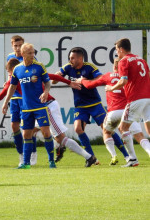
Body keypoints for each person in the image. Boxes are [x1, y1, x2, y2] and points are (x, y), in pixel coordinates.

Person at [52, 47, 124, 164]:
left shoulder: (89, 67)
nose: (70, 60)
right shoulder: (67, 67)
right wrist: (58, 75)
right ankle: (91, 158)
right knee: (78, 128)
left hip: (94, 103)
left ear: (80, 58)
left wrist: (87, 81)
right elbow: (54, 81)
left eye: (73, 58)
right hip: (80, 105)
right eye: (70, 58)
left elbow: (101, 77)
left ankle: (126, 155)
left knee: (107, 129)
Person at [78, 57, 150, 165]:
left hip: (113, 112)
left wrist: (82, 80)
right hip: (128, 110)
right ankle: (134, 157)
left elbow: (90, 85)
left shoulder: (107, 76)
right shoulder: (129, 78)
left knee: (106, 132)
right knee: (139, 135)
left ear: (114, 66)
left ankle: (114, 155)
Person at [2, 43, 55, 169]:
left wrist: (46, 92)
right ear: (23, 54)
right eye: (30, 53)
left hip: (40, 106)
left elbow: (48, 83)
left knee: (46, 133)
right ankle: (26, 163)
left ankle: (51, 161)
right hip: (26, 108)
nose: (33, 55)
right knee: (26, 135)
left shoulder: (39, 67)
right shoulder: (17, 69)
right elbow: (12, 86)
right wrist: (5, 102)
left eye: (33, 52)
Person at [105, 38, 150, 167]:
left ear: (121, 49)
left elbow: (123, 81)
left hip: (136, 99)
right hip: (148, 97)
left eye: (116, 50)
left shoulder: (123, 61)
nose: (117, 53)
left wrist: (110, 88)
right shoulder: (141, 59)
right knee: (148, 130)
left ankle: (132, 159)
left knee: (123, 128)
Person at [38, 73, 98, 167]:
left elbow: (54, 76)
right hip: (38, 109)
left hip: (48, 106)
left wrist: (69, 82)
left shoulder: (36, 71)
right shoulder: (22, 74)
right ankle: (59, 146)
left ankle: (89, 157)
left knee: (60, 138)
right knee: (33, 131)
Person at [0, 58, 25, 166]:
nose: (9, 73)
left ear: (13, 69)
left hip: (25, 102)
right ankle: (22, 155)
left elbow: (1, 95)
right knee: (14, 126)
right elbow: (6, 91)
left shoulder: (22, 76)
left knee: (28, 129)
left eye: (8, 71)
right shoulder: (12, 79)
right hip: (14, 102)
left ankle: (31, 153)